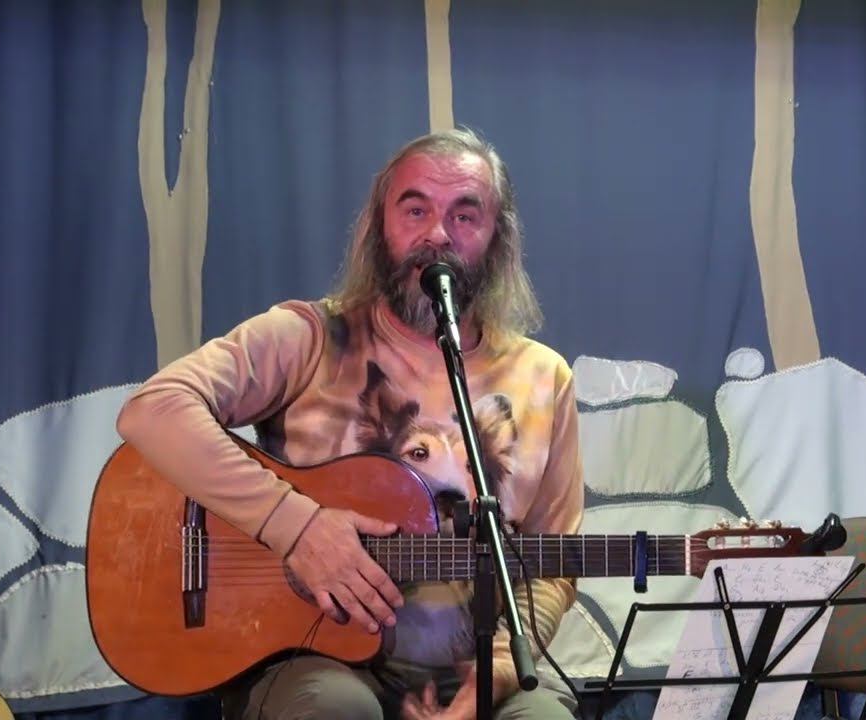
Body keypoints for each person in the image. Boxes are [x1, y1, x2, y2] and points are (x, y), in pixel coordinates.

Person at [116, 127, 584, 720]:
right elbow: (154, 409)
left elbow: (554, 561)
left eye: (465, 216)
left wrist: (494, 675)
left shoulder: (544, 378)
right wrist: (297, 527)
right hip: (312, 654)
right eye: (415, 210)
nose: (438, 234)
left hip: (474, 666)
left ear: (498, 239)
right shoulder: (308, 337)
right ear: (378, 226)